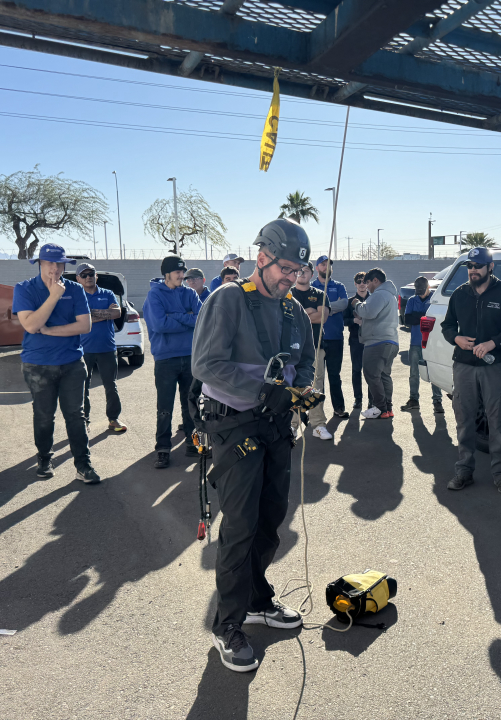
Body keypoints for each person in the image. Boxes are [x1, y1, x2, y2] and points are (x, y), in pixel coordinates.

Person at [191, 218, 315, 673]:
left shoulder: (292, 310)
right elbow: (206, 365)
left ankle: (259, 600)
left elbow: (303, 363)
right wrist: (263, 387)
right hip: (235, 426)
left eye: (298, 272)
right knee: (240, 525)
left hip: (277, 426)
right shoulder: (227, 299)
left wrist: (297, 389)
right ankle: (228, 624)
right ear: (262, 259)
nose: (292, 278)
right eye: (285, 268)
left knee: (270, 519)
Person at [12, 243, 101, 484]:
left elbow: (84, 326)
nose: (55, 268)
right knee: (43, 415)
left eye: (59, 263)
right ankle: (44, 458)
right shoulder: (25, 289)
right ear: (40, 263)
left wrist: (50, 331)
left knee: (76, 415)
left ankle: (83, 465)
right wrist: (53, 297)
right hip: (37, 365)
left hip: (72, 362)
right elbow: (30, 325)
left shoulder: (75, 289)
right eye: (50, 263)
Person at [441, 247, 501, 495]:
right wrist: (456, 338)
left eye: (478, 266)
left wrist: (493, 343)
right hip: (464, 367)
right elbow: (447, 325)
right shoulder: (459, 294)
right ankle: (464, 472)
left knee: (498, 421)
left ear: (490, 267)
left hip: (494, 366)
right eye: (470, 266)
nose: (473, 270)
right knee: (464, 420)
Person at [143, 255, 202, 469]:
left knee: (191, 404)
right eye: (177, 271)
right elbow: (160, 325)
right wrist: (186, 317)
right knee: (165, 407)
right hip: (165, 359)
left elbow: (201, 319)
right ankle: (163, 449)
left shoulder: (189, 293)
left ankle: (192, 444)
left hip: (190, 356)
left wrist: (175, 315)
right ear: (166, 274)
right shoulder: (154, 296)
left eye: (183, 271)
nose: (182, 275)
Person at [74, 263, 126, 434]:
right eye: (84, 274)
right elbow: (76, 320)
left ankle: (113, 419)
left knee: (111, 385)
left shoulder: (108, 293)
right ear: (78, 279)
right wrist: (104, 314)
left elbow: (117, 313)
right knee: (83, 387)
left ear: (96, 276)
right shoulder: (76, 296)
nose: (89, 277)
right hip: (83, 350)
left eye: (92, 274)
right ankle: (84, 421)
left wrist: (90, 315)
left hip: (107, 348)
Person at [352, 267, 399, 419]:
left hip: (377, 342)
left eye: (368, 282)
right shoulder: (390, 295)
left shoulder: (380, 294)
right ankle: (387, 408)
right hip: (391, 341)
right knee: (384, 375)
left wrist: (357, 304)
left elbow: (368, 312)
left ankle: (380, 407)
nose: (366, 286)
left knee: (371, 374)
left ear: (375, 280)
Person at [292, 262, 331, 440]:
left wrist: (302, 314)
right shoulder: (287, 294)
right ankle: (292, 425)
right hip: (291, 348)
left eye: (305, 270)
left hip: (316, 346)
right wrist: (310, 313)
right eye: (298, 270)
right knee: (291, 386)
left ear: (311, 273)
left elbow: (322, 317)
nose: (301, 273)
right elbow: (287, 319)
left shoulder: (320, 294)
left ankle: (318, 425)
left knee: (316, 385)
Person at [312, 255, 350, 419]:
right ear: (317, 268)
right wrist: (330, 309)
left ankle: (339, 408)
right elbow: (307, 308)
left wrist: (323, 308)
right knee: (317, 379)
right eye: (322, 264)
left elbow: (344, 304)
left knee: (334, 376)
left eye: (328, 264)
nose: (326, 267)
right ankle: (317, 413)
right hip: (317, 340)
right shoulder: (311, 287)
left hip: (335, 338)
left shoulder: (339, 286)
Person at [401, 276, 444, 413]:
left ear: (428, 288)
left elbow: (437, 320)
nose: (419, 293)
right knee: (414, 373)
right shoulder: (412, 300)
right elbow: (407, 319)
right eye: (417, 290)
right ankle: (414, 400)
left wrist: (418, 317)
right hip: (415, 342)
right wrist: (425, 317)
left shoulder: (434, 300)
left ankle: (437, 401)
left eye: (422, 291)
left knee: (433, 372)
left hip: (432, 344)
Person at [343, 272, 371, 410]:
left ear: (368, 283)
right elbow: (343, 320)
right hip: (355, 340)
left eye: (364, 281)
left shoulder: (373, 300)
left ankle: (372, 400)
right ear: (355, 284)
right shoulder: (350, 302)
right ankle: (358, 399)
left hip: (371, 340)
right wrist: (353, 320)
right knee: (356, 370)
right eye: (359, 281)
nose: (362, 284)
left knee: (371, 371)